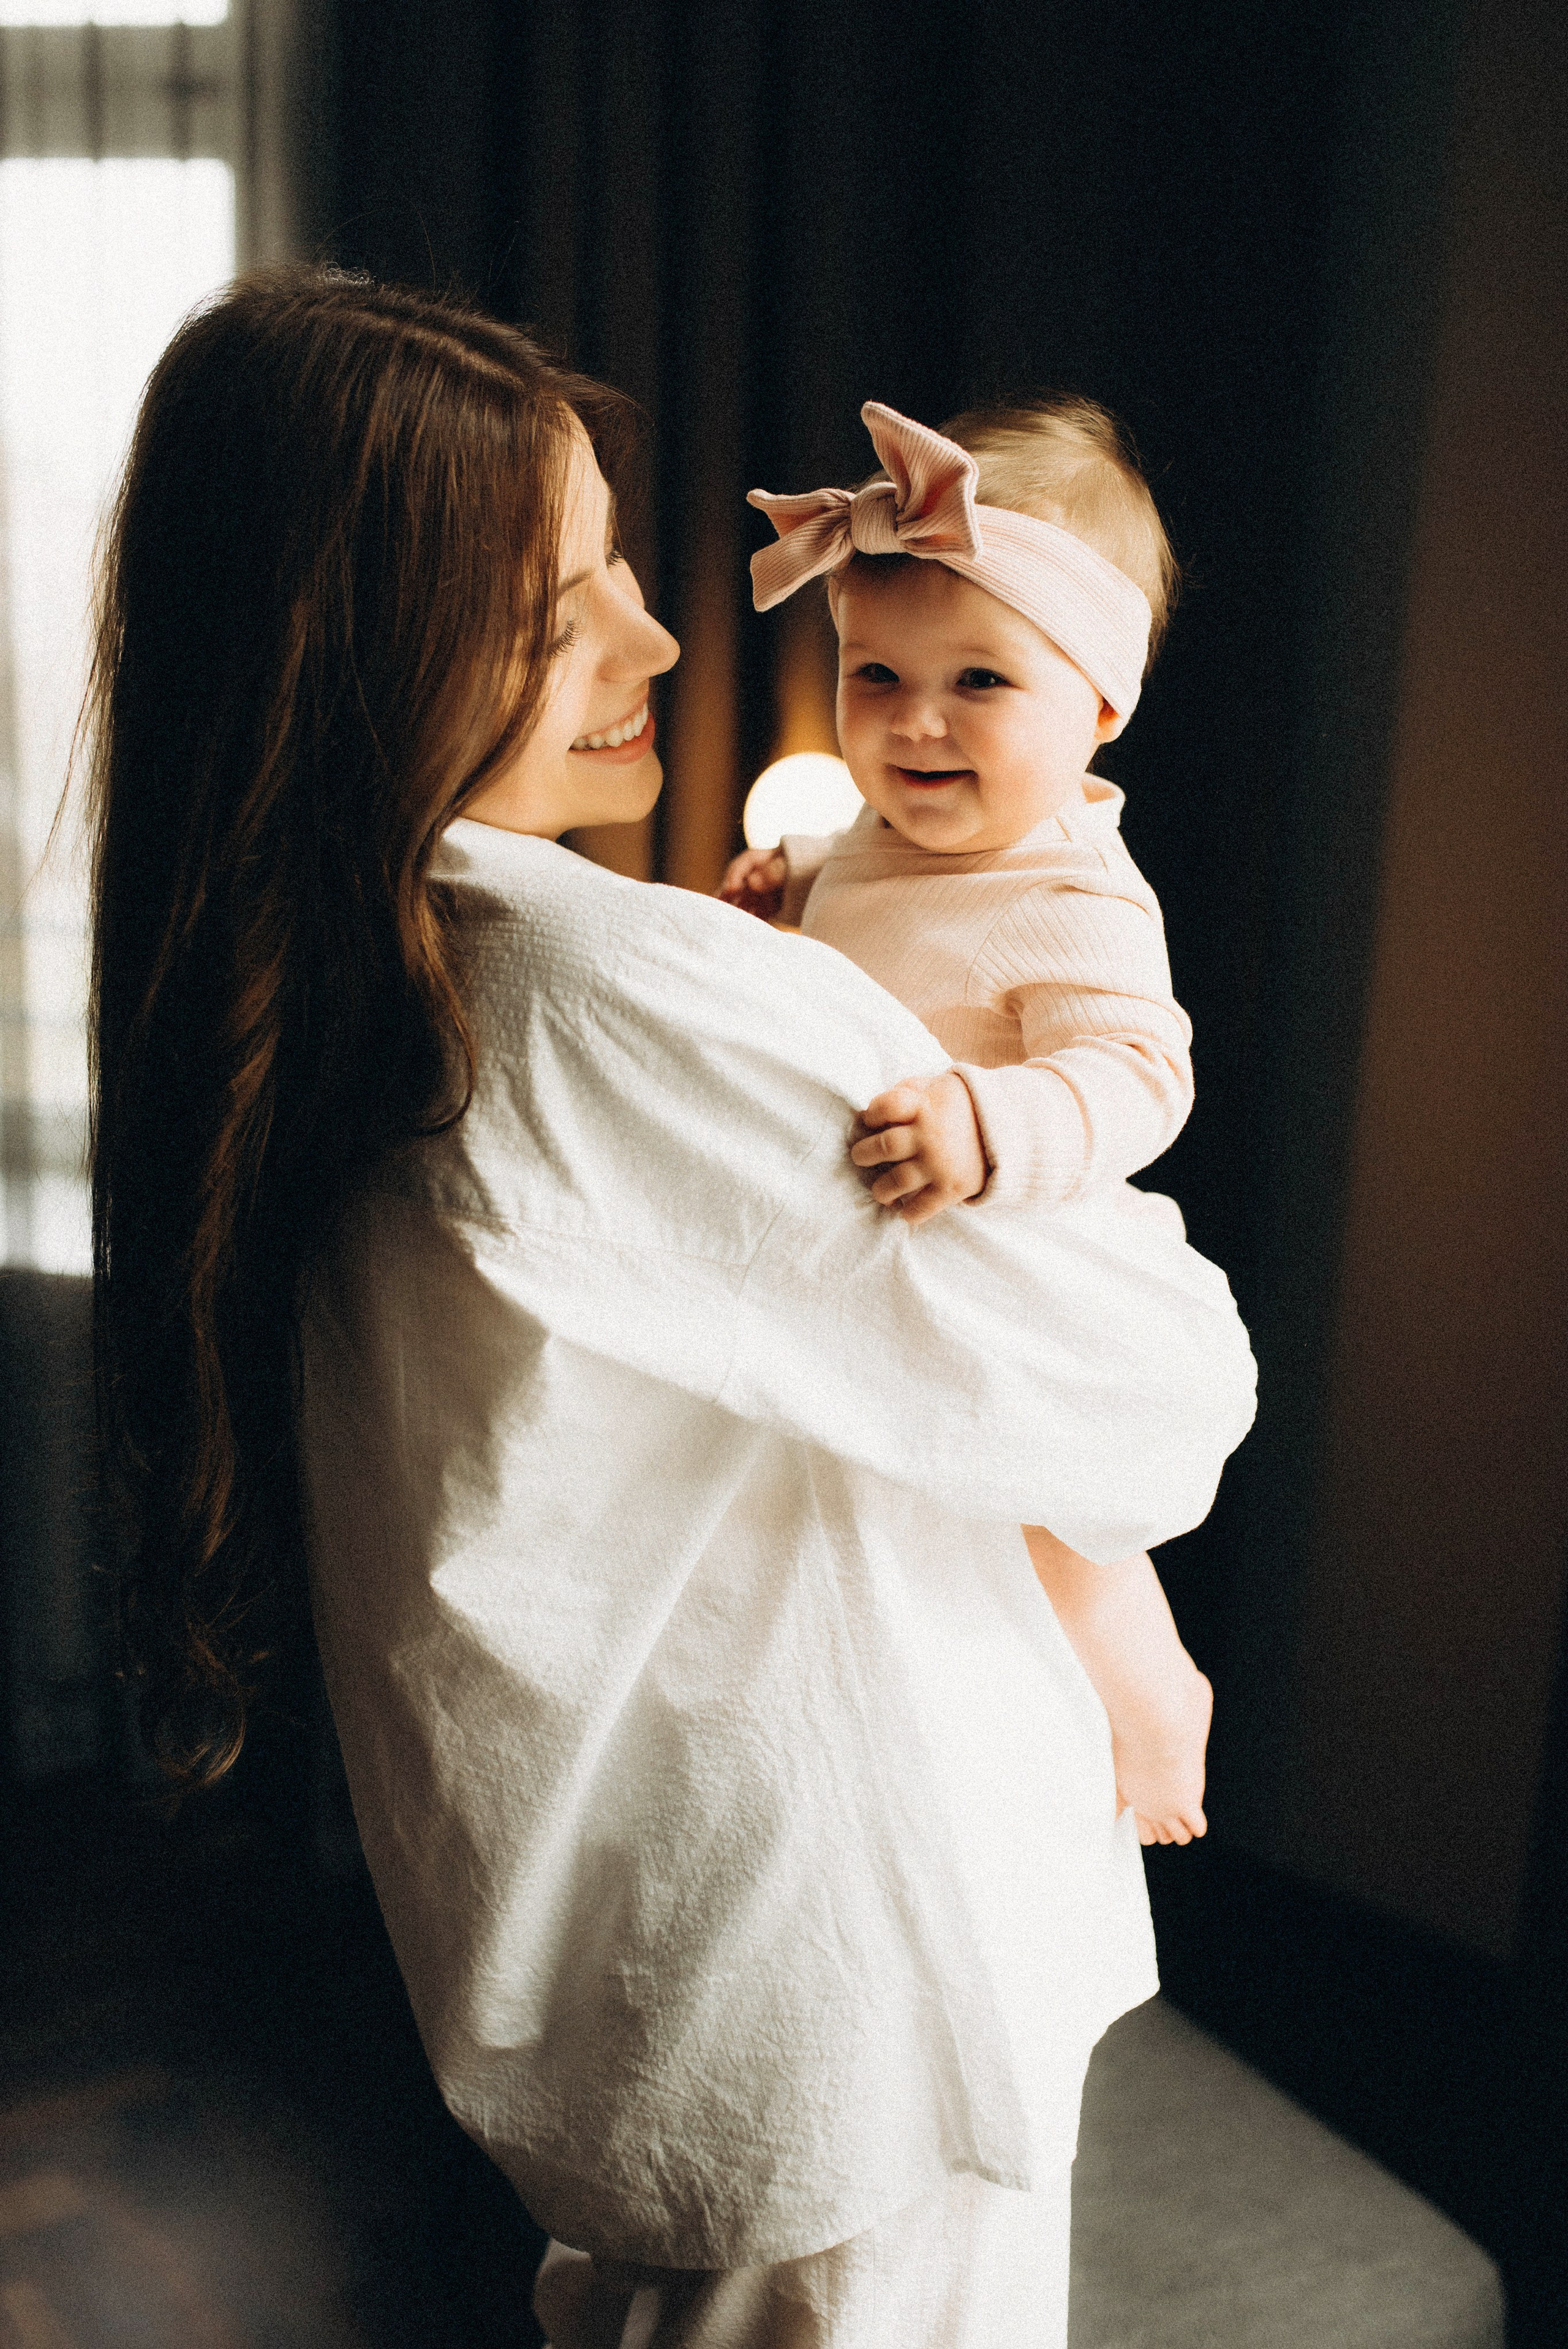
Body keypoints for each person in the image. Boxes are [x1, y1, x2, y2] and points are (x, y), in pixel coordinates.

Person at [88, 267, 1255, 2348]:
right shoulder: (591, 988)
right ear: (366, 655)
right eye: (562, 615)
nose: (658, 636)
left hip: (665, 1959)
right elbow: (1163, 1395)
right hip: (846, 1987)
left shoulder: (349, 961)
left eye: (623, 567)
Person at [722, 398, 1214, 1852]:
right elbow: (871, 902)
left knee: (1061, 1520)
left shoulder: (1073, 891)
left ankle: (1153, 1704)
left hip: (1027, 1260)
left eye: (978, 680)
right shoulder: (876, 839)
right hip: (898, 1254)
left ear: (1099, 706)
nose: (913, 721)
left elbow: (1139, 1073)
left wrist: (994, 1122)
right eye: (873, 673)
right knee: (925, 1537)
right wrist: (788, 890)